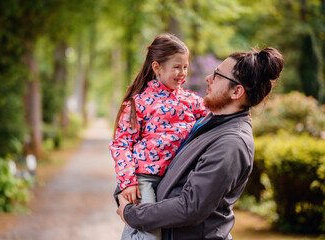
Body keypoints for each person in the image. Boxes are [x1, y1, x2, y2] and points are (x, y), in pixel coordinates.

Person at [116, 47, 284, 240]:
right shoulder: (206, 123)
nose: (208, 78)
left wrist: (131, 213)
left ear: (237, 91)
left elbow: (191, 207)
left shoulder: (232, 144)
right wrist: (128, 185)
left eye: (218, 75)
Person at [109, 33, 208, 240]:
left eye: (185, 67)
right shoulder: (139, 103)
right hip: (144, 179)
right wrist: (128, 181)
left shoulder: (191, 101)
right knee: (150, 235)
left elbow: (213, 118)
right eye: (176, 67)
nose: (182, 73)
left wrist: (237, 115)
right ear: (157, 67)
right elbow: (121, 144)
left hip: (175, 178)